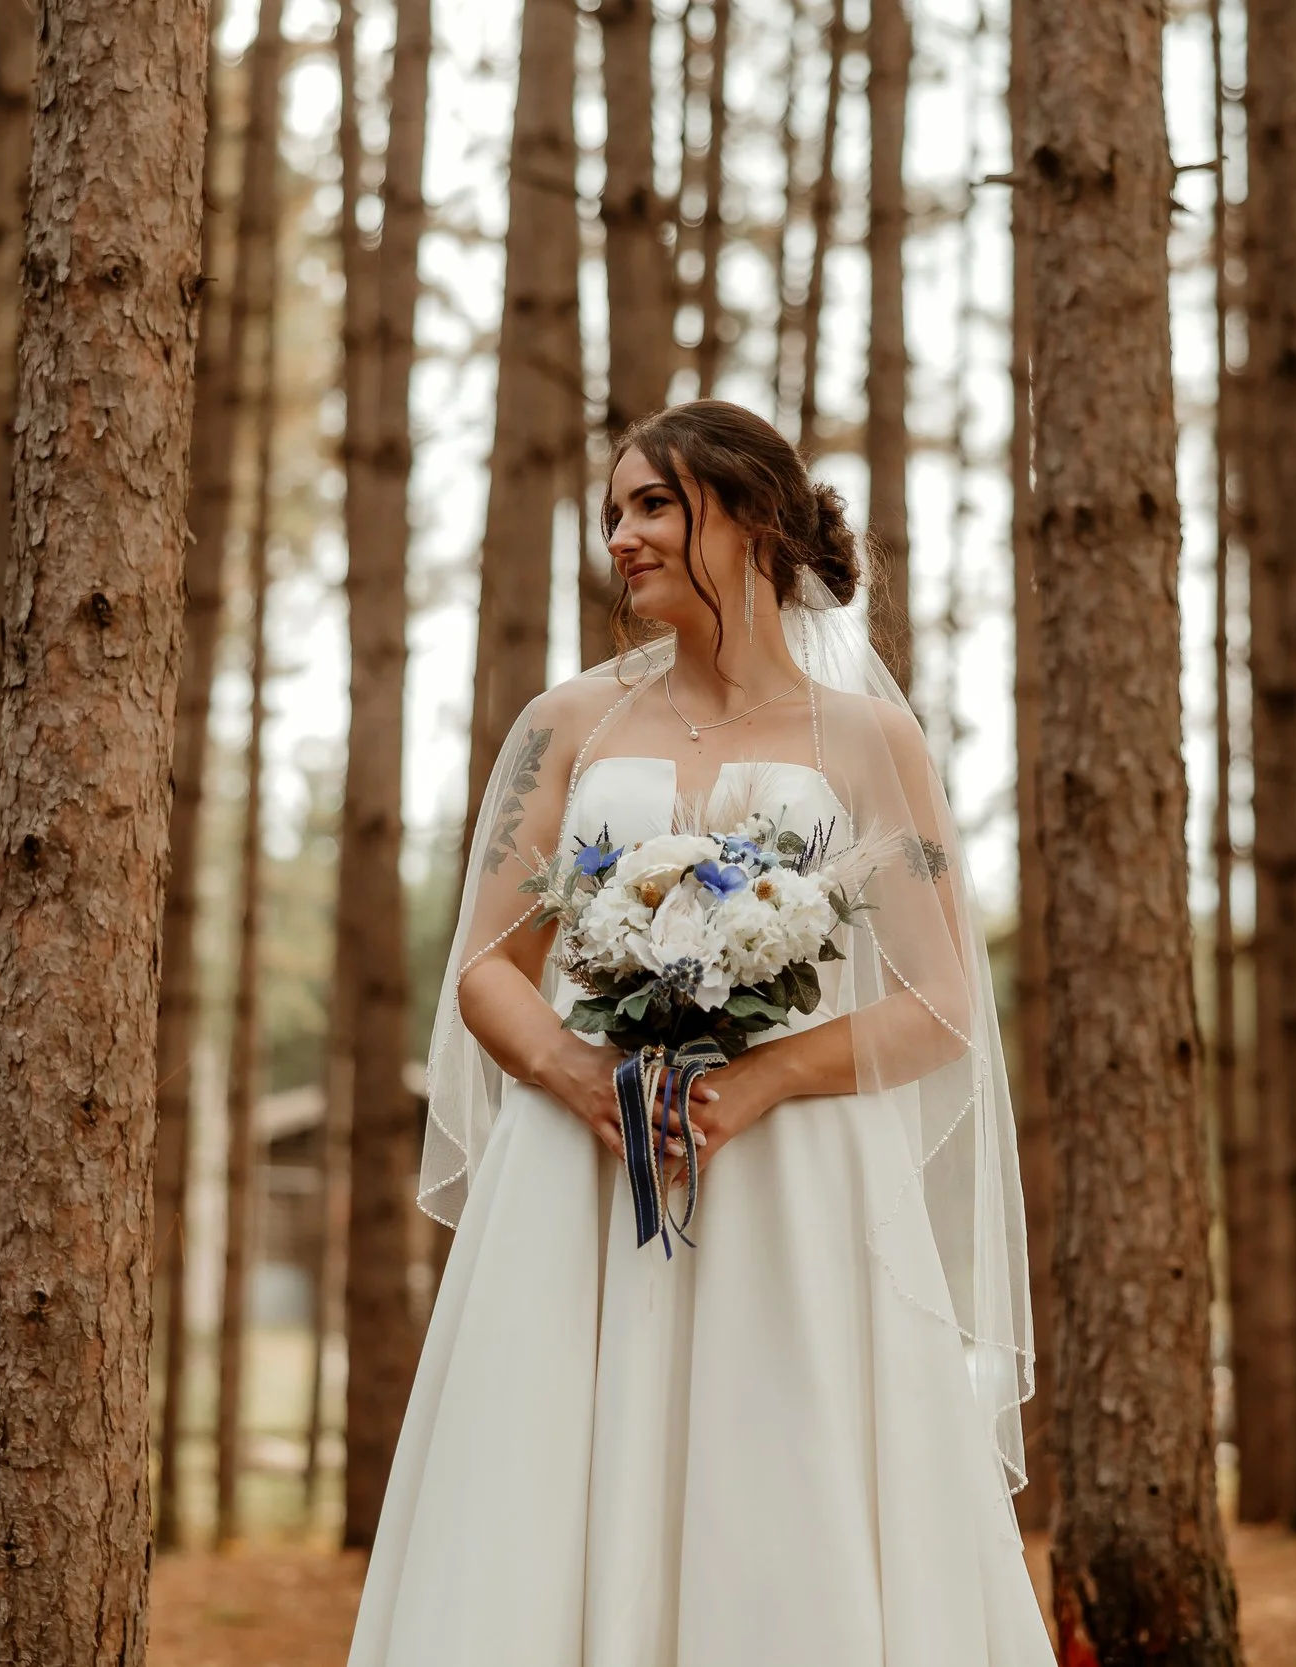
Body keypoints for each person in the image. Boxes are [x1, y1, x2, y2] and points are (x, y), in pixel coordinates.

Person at [348, 401, 1051, 1665]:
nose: (620, 535)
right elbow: (487, 968)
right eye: (615, 509)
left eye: (654, 504)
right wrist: (585, 1078)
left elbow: (940, 1001)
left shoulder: (868, 742)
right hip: (578, 1174)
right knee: (551, 1477)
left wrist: (761, 1082)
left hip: (795, 1186)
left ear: (755, 519)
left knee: (778, 1474)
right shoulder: (569, 725)